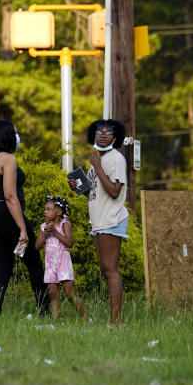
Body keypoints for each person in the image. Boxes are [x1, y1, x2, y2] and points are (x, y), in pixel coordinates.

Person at [0, 119, 49, 314]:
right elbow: (10, 196)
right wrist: (22, 228)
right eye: (15, 133)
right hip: (8, 213)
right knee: (34, 263)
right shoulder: (8, 159)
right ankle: (45, 311)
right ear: (7, 136)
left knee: (3, 268)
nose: (17, 137)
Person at [69, 119, 129, 325]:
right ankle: (115, 320)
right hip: (99, 220)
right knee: (106, 268)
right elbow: (95, 193)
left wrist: (97, 166)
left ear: (115, 137)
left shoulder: (116, 159)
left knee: (110, 268)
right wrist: (78, 186)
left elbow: (114, 191)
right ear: (92, 135)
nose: (103, 134)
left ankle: (117, 321)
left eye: (108, 132)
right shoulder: (98, 160)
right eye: (99, 131)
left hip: (111, 219)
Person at [34, 195, 86, 319]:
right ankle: (55, 320)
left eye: (48, 209)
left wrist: (55, 233)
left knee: (69, 293)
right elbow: (36, 246)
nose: (45, 211)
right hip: (50, 262)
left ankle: (85, 317)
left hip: (63, 260)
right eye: (45, 209)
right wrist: (45, 235)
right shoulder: (44, 226)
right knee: (53, 294)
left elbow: (70, 243)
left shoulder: (65, 224)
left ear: (59, 212)